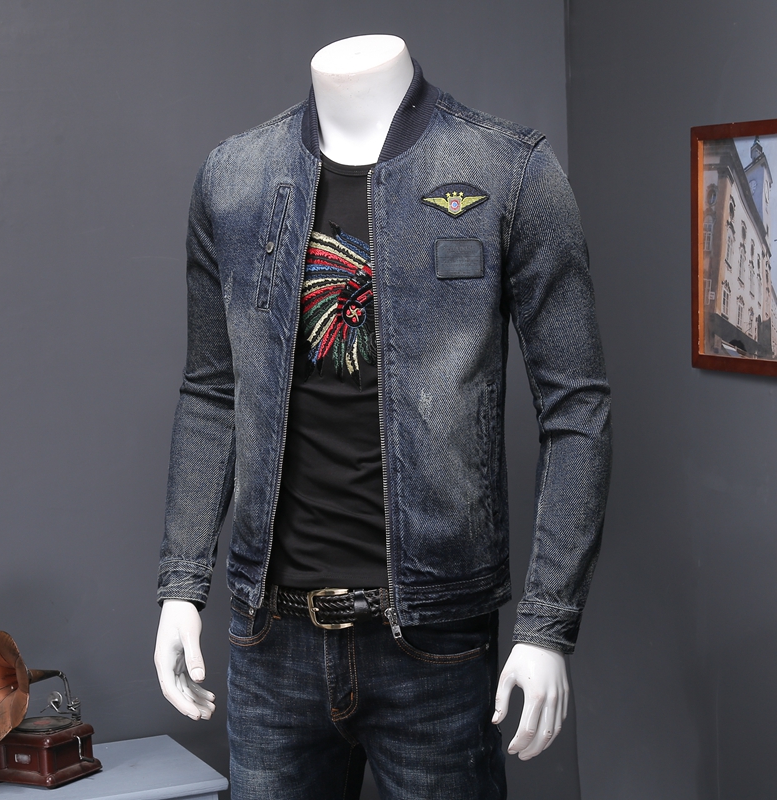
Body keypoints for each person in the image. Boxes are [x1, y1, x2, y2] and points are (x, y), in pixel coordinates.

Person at [154, 34, 611, 800]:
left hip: (436, 641)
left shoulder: (508, 169)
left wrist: (546, 625)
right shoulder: (233, 177)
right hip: (270, 641)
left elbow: (578, 407)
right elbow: (210, 390)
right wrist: (181, 585)